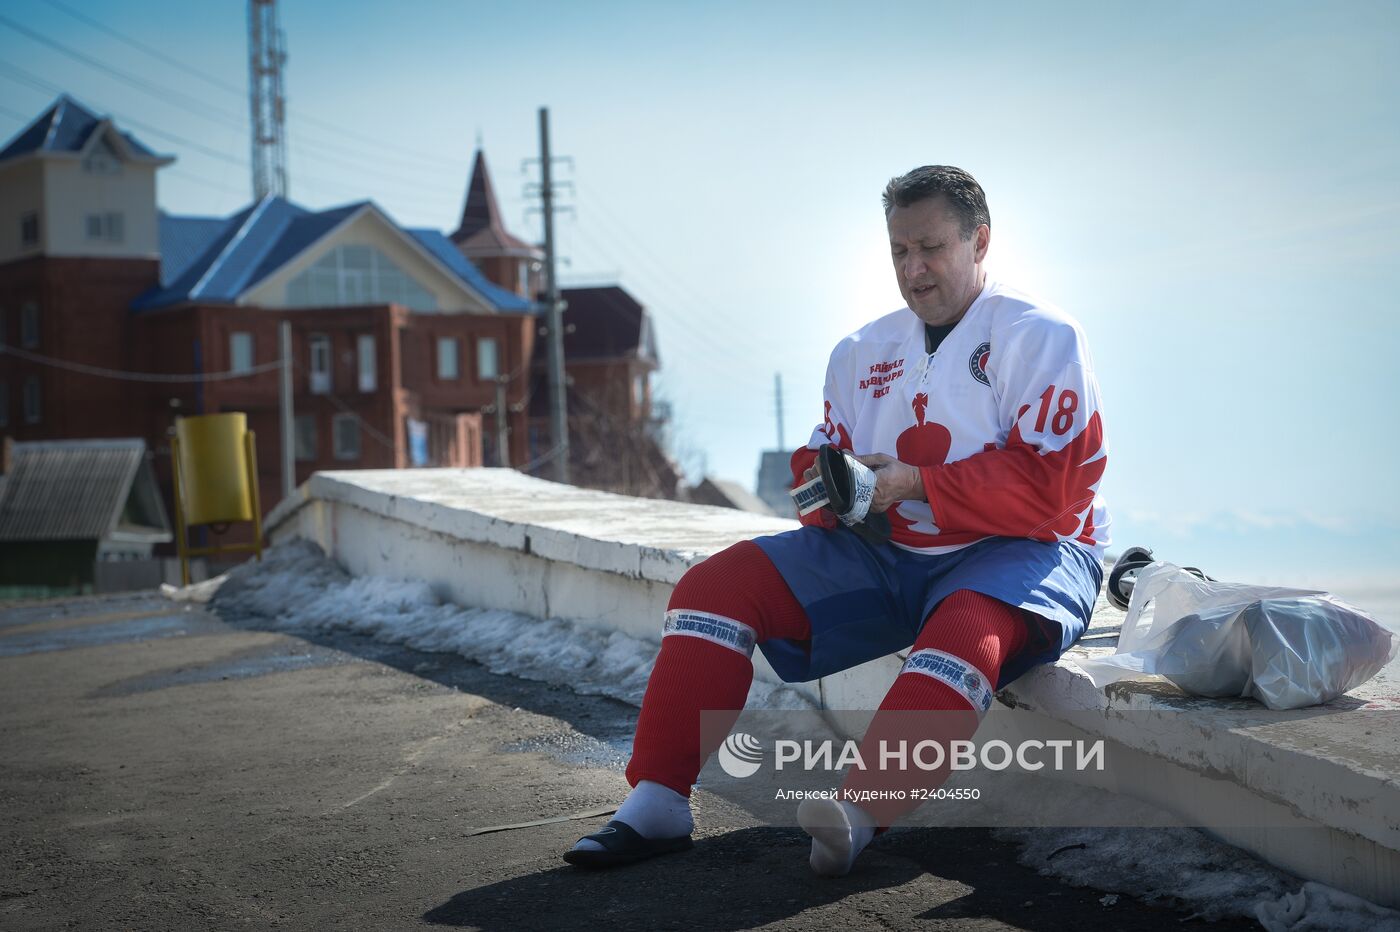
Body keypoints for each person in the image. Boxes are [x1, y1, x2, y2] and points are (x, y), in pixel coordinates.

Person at [564, 165, 1110, 875]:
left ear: (981, 241)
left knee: (964, 629)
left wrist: (912, 480)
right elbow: (822, 472)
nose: (914, 271)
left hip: (1026, 548)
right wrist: (831, 490)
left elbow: (1054, 488)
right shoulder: (858, 352)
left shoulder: (1042, 337)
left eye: (932, 248)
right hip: (889, 551)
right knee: (713, 589)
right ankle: (659, 800)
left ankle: (854, 814)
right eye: (898, 252)